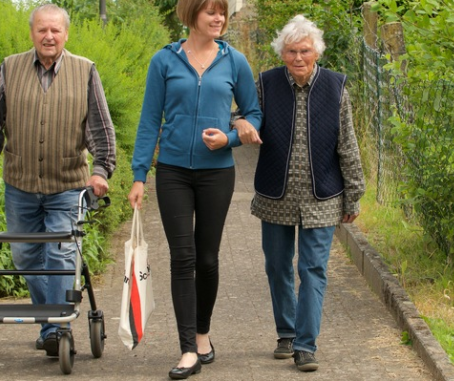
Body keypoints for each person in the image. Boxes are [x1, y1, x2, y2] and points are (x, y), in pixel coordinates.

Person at [0, 3, 116, 358]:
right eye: (42, 30)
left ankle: (56, 327)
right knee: (26, 256)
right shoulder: (9, 67)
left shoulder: (85, 71)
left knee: (61, 255)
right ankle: (51, 322)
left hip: (67, 184)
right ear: (32, 33)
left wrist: (100, 170)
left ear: (66, 33)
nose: (49, 37)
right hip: (20, 186)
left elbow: (100, 129)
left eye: (56, 30)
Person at [128, 0, 262, 378]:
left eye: (222, 11)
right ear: (192, 15)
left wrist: (231, 139)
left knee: (207, 258)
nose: (219, 18)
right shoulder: (165, 60)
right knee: (182, 257)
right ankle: (188, 348)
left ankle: (203, 333)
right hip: (172, 172)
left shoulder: (234, 61)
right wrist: (140, 175)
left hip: (217, 173)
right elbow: (149, 119)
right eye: (211, 12)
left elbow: (253, 114)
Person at [234, 15, 366, 372]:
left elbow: (348, 146)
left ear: (316, 52)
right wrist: (239, 123)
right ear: (282, 53)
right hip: (275, 194)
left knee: (313, 269)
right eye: (291, 51)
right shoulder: (266, 83)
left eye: (304, 50)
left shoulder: (336, 88)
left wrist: (353, 194)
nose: (297, 58)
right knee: (277, 267)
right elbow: (242, 115)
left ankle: (306, 346)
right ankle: (286, 333)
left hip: (322, 196)